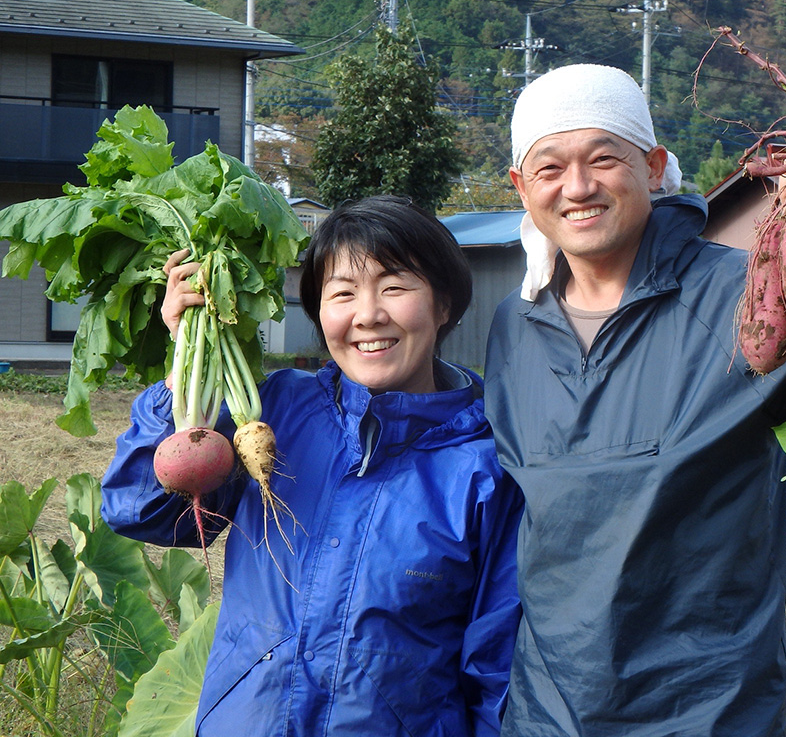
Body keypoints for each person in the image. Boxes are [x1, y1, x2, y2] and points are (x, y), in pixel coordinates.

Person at [483, 63, 786, 736]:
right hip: (545, 713)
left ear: (652, 165)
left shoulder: (749, 294)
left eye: (603, 159)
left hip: (707, 711)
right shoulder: (512, 328)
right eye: (549, 168)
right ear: (522, 188)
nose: (577, 187)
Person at [101, 195, 524, 737]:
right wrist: (185, 365)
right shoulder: (275, 410)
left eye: (394, 287)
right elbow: (142, 513)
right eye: (342, 293)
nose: (367, 314)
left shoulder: (487, 465)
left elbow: (496, 669)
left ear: (445, 304)